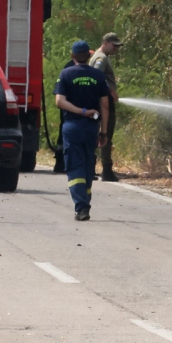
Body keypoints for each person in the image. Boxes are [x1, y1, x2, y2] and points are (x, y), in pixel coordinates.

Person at [54, 40, 111, 221]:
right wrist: (104, 132)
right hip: (91, 128)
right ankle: (86, 199)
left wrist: (81, 112)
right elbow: (105, 105)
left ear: (72, 56)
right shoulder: (98, 76)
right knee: (87, 164)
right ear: (88, 56)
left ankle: (81, 207)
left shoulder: (66, 74)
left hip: (72, 126)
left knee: (74, 166)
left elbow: (59, 101)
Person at [88, 33, 121, 182]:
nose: (116, 49)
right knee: (105, 134)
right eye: (114, 45)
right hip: (104, 102)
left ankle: (91, 167)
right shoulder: (101, 58)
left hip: (99, 101)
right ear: (106, 43)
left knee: (98, 134)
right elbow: (96, 75)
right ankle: (106, 170)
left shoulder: (98, 56)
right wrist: (110, 91)